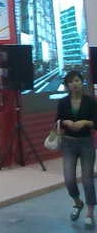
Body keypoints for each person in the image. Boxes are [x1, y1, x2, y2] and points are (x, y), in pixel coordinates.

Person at [57, 70, 96, 226]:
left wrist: (85, 122)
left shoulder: (90, 101)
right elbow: (57, 120)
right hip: (68, 143)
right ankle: (77, 202)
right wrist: (65, 122)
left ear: (82, 82)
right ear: (67, 85)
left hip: (86, 143)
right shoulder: (63, 102)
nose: (75, 84)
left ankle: (90, 212)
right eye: (71, 81)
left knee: (87, 180)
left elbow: (96, 122)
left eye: (77, 80)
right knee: (69, 179)